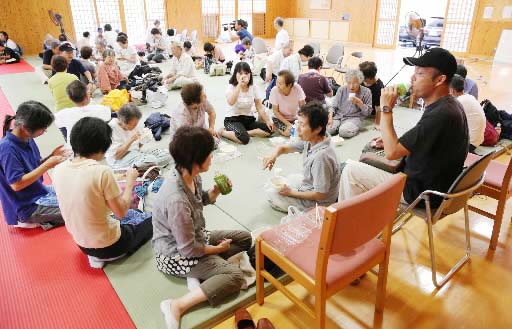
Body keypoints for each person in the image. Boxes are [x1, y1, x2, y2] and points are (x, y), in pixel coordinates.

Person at [338, 48, 469, 210]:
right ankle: (366, 219)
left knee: (350, 170)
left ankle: (348, 226)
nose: (412, 78)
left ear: (440, 80)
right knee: (364, 160)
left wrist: (386, 109)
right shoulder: (450, 104)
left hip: (421, 194)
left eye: (420, 74)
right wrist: (392, 139)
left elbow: (391, 153)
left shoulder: (440, 114)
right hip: (437, 185)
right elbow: (423, 139)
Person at [153, 126, 252, 329]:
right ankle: (176, 306)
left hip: (197, 237)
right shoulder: (176, 199)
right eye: (209, 155)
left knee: (244, 238)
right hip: (175, 255)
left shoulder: (190, 173)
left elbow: (201, 200)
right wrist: (219, 250)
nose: (211, 158)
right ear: (196, 160)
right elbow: (188, 249)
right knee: (234, 276)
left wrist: (215, 192)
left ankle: (201, 273)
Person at [53, 117, 153, 268]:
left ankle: (96, 256)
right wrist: (130, 181)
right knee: (153, 219)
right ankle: (112, 255)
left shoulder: (58, 169)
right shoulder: (102, 172)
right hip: (112, 245)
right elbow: (121, 213)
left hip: (81, 244)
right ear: (103, 146)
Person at [263, 102, 340, 212]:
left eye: (302, 125)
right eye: (298, 123)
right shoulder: (314, 139)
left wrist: (291, 193)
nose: (297, 129)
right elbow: (285, 148)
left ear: (317, 128)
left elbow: (321, 194)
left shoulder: (321, 157)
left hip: (320, 203)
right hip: (310, 186)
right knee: (289, 179)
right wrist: (274, 155)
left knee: (272, 195)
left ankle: (306, 210)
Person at [0, 101, 66, 229]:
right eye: (43, 128)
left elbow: (34, 166)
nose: (45, 131)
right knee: (80, 209)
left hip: (37, 191)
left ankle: (47, 220)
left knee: (74, 190)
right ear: (25, 127)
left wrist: (51, 157)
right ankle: (31, 220)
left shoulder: (26, 138)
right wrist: (47, 165)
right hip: (27, 206)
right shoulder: (7, 149)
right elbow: (17, 184)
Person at [218, 62, 273, 144]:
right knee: (244, 139)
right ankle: (223, 132)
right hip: (233, 119)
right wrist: (239, 84)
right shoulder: (231, 87)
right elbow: (231, 102)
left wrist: (268, 120)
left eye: (246, 73)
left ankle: (244, 132)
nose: (243, 76)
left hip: (248, 119)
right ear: (235, 74)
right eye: (240, 73)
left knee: (270, 129)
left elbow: (259, 107)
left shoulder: (254, 87)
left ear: (250, 75)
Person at [328, 69, 372, 138]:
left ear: (360, 82)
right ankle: (338, 128)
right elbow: (333, 106)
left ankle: (344, 128)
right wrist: (330, 118)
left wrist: (360, 103)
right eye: (349, 83)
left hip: (354, 118)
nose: (351, 86)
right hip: (339, 116)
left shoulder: (366, 92)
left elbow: (368, 113)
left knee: (343, 132)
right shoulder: (341, 89)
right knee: (327, 131)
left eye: (355, 83)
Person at [450, 74, 485, 151]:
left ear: (452, 90)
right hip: (477, 141)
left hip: (469, 144)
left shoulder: (459, 102)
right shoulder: (469, 97)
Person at [270, 70, 306, 137]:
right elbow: (275, 111)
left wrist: (304, 120)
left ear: (289, 85)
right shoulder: (274, 91)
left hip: (294, 118)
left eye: (280, 84)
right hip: (279, 119)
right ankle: (276, 127)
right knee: (288, 133)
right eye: (277, 82)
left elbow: (303, 107)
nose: (277, 85)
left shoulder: (297, 88)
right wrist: (288, 124)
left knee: (303, 131)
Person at [359, 61, 385, 129]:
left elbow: (378, 108)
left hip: (372, 112)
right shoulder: (363, 81)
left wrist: (377, 123)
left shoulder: (378, 88)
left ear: (368, 78)